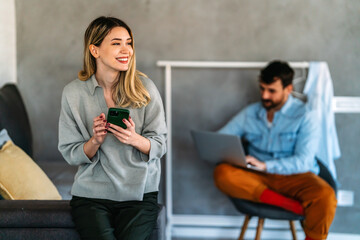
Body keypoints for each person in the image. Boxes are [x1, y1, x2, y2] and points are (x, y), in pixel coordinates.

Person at [58, 16, 167, 240]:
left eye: (129, 42)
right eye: (116, 43)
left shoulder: (145, 89)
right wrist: (94, 141)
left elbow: (160, 145)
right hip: (91, 195)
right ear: (94, 50)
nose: (126, 49)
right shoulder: (73, 93)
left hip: (139, 194)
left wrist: (133, 138)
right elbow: (70, 152)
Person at [213, 60, 337, 240]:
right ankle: (289, 204)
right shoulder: (251, 113)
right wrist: (223, 149)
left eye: (271, 91)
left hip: (296, 176)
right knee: (222, 173)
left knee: (326, 196)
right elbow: (220, 138)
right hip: (256, 176)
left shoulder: (306, 116)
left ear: (288, 89)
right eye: (262, 88)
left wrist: (265, 165)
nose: (264, 95)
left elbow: (303, 161)